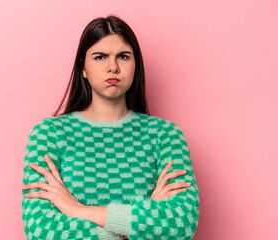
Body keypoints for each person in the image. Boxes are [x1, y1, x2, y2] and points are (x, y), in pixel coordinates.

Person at [21, 15, 200, 240]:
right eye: (100, 57)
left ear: (136, 65)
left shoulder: (165, 135)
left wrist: (80, 210)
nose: (113, 67)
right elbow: (41, 230)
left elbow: (181, 224)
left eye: (123, 56)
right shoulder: (49, 134)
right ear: (83, 68)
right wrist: (141, 223)